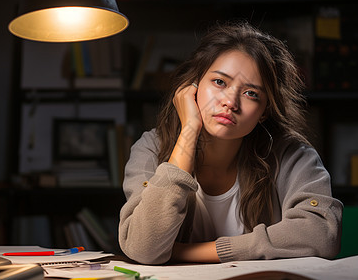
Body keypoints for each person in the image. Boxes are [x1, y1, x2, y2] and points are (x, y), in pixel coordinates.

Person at [118, 21, 343, 265]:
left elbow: (321, 233)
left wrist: (190, 252)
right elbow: (142, 247)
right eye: (219, 82)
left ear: (264, 111)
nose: (230, 102)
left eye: (251, 94)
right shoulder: (151, 148)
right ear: (192, 87)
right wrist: (189, 131)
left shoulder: (291, 154)